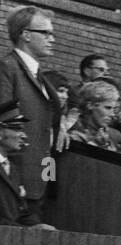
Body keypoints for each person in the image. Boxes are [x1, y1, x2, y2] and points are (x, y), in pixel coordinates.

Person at [0, 6, 61, 218]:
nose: (52, 39)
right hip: (18, 186)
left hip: (41, 183)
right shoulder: (6, 68)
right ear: (26, 34)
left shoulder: (40, 76)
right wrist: (14, 182)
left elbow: (47, 131)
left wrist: (50, 181)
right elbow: (7, 127)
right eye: (46, 33)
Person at [0, 96, 53, 228]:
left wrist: (37, 225)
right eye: (17, 128)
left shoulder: (13, 169)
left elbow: (21, 212)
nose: (24, 136)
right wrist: (24, 230)